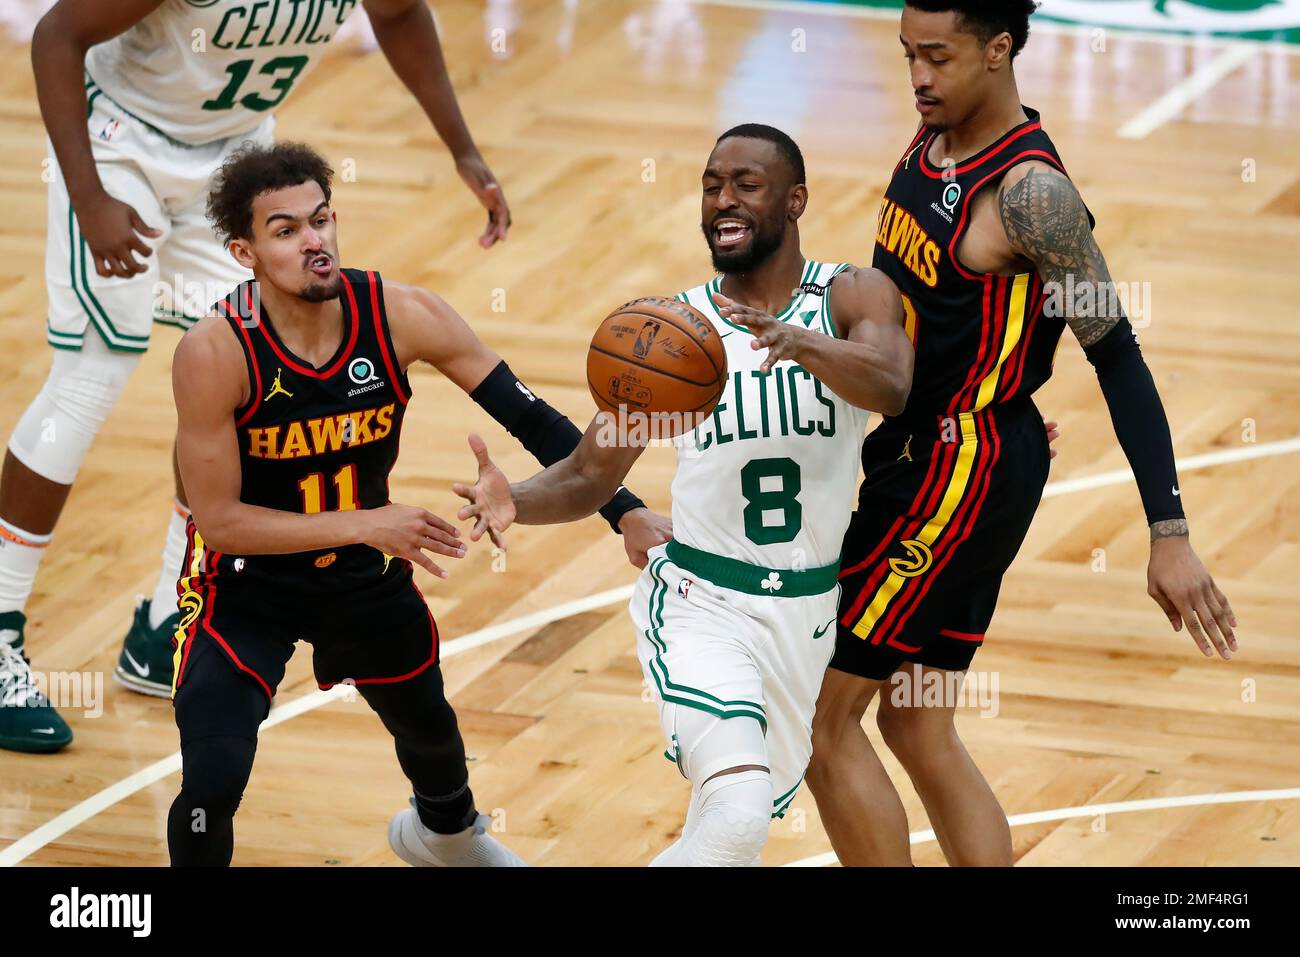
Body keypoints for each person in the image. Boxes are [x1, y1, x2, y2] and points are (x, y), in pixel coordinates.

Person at [0, 0, 514, 752]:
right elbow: (57, 33)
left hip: (237, 167)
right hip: (122, 151)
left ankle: (163, 625)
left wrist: (463, 150)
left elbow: (401, 15)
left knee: (241, 389)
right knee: (91, 377)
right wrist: (88, 196)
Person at [805, 0, 1238, 867]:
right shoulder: (935, 139)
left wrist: (1169, 532)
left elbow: (1117, 355)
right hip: (943, 458)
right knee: (917, 719)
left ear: (999, 50)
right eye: (907, 56)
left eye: (938, 56)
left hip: (955, 473)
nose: (919, 77)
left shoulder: (1033, 195)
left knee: (818, 721)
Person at [165, 140, 665, 866]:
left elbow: (534, 419)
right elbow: (220, 523)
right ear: (244, 251)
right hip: (247, 585)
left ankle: (449, 840)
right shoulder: (215, 350)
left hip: (360, 575)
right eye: (287, 230)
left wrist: (625, 510)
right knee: (212, 781)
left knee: (432, 735)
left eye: (322, 219)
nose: (315, 241)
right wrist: (372, 521)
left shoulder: (401, 314)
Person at [454, 124, 913, 866]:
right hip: (705, 605)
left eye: (745, 184)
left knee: (723, 834)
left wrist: (799, 342)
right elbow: (588, 474)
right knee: (736, 819)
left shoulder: (852, 294)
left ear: (795, 200)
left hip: (806, 617)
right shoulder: (676, 333)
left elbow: (891, 386)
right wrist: (519, 500)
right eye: (710, 184)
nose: (722, 200)